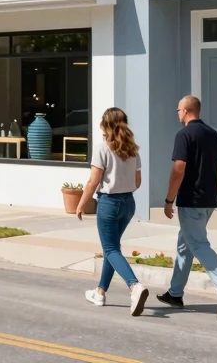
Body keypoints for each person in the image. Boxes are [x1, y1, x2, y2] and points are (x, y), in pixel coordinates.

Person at [157, 95, 217, 318]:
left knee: (198, 244)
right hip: (208, 200)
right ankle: (175, 293)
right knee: (186, 245)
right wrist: (214, 193)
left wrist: (169, 200)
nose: (177, 113)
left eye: (178, 110)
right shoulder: (214, 135)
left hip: (190, 201)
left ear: (186, 110)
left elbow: (179, 169)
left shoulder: (184, 135)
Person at [76, 107, 149, 316]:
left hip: (109, 203)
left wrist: (81, 204)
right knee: (112, 247)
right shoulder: (133, 149)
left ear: (105, 125)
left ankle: (134, 286)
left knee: (110, 249)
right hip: (128, 203)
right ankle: (100, 292)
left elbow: (93, 180)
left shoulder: (102, 149)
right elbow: (137, 182)